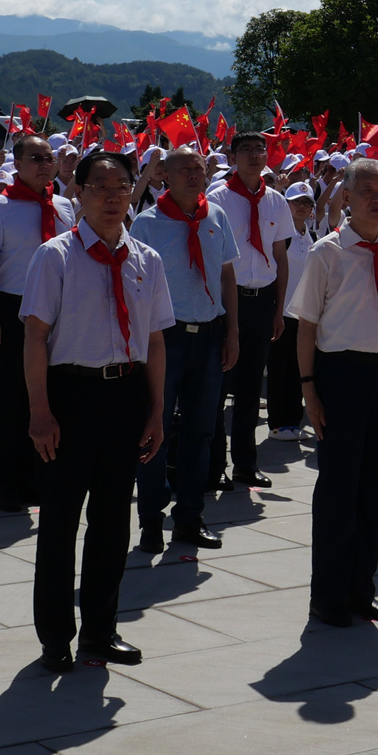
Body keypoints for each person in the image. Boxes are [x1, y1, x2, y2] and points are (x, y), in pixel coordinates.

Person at [21, 148, 170, 669]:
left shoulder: (146, 259)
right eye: (100, 187)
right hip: (70, 395)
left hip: (125, 394)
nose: (112, 197)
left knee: (112, 521)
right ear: (79, 194)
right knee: (61, 522)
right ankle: (55, 637)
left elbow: (155, 340)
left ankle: (100, 630)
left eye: (122, 186)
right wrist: (40, 412)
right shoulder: (55, 256)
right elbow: (34, 337)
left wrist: (156, 409)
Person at [288, 157, 378, 626]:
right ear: (346, 196)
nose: (377, 199)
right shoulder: (326, 252)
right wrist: (309, 388)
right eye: (366, 190)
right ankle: (328, 595)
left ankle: (362, 588)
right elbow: (306, 326)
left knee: (376, 489)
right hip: (342, 376)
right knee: (339, 487)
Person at [128, 145, 237, 553]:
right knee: (152, 429)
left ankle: (190, 517)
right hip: (164, 338)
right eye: (184, 169)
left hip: (208, 335)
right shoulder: (147, 223)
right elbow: (134, 284)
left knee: (200, 430)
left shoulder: (216, 216)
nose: (194, 174)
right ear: (165, 177)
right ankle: (151, 520)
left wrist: (232, 332)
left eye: (198, 167)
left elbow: (227, 277)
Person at [0, 134, 76, 513]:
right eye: (35, 158)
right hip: (13, 307)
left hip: (58, 309)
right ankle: (7, 481)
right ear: (16, 164)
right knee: (11, 398)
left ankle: (38, 477)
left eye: (49, 158)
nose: (44, 164)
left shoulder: (64, 205)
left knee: (50, 395)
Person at [212, 132, 290, 488]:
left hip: (262, 300)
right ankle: (215, 464)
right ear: (233, 157)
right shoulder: (217, 198)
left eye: (260, 150)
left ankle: (245, 463)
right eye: (246, 150)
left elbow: (280, 257)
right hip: (227, 300)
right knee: (218, 387)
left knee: (249, 387)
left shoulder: (275, 200)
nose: (255, 156)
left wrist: (279, 308)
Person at [266, 180, 318, 444]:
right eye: (296, 201)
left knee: (299, 370)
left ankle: (293, 422)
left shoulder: (313, 237)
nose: (302, 206)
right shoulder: (280, 236)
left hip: (304, 316)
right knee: (280, 369)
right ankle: (277, 424)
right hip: (282, 312)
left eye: (307, 202)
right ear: (286, 204)